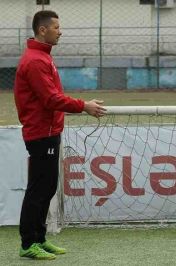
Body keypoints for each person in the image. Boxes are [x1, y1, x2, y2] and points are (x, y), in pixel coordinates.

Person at [14, 10, 107, 260]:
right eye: (56, 27)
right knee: (38, 189)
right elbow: (50, 98)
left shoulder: (42, 57)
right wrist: (83, 105)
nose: (60, 30)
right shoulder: (34, 61)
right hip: (40, 134)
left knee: (47, 187)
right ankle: (27, 243)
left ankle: (40, 238)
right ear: (42, 30)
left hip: (49, 132)